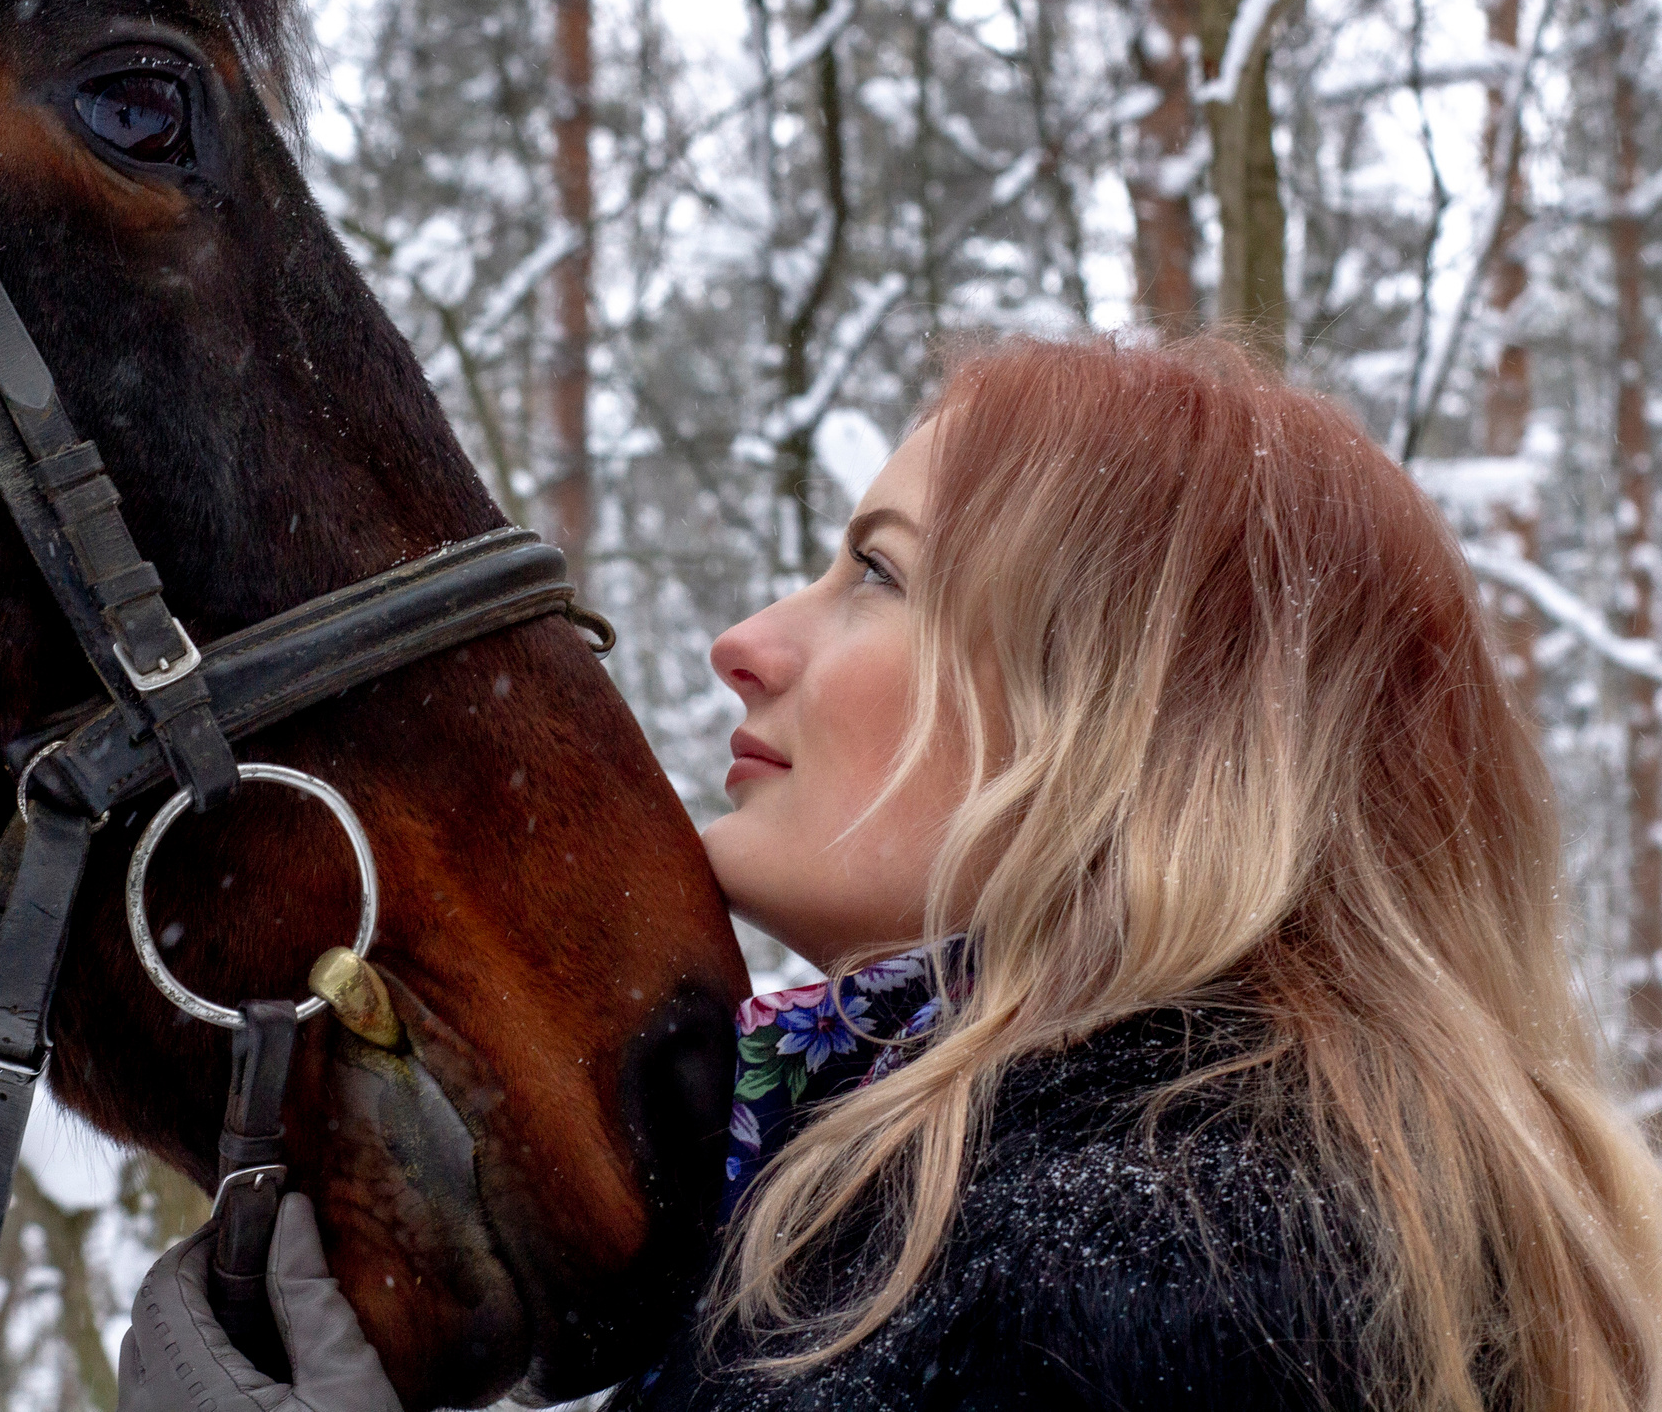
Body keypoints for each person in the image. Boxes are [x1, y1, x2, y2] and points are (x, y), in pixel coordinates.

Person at [116, 334, 1662, 1412]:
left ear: (1136, 724)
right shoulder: (958, 1207)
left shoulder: (1158, 1263)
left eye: (876, 574)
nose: (748, 645)